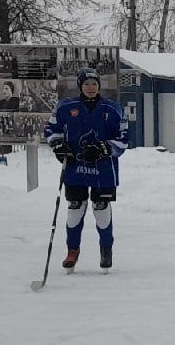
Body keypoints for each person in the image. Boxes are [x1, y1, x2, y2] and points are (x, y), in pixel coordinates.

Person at [43, 67, 128, 270]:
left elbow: (124, 139)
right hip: (75, 167)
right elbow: (51, 129)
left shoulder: (114, 109)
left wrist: (103, 148)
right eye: (87, 84)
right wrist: (58, 145)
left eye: (95, 84)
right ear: (80, 86)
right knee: (75, 208)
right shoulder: (65, 107)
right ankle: (72, 250)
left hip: (104, 169)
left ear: (99, 86)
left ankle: (106, 249)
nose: (91, 87)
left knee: (101, 209)